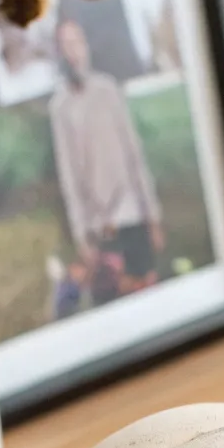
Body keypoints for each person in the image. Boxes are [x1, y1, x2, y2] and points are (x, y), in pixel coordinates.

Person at [48, 18, 164, 301]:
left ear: (85, 46)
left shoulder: (108, 90)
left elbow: (133, 154)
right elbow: (69, 176)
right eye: (65, 45)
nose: (73, 51)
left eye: (76, 42)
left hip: (132, 211)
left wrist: (153, 216)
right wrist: (81, 234)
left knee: (146, 290)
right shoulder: (60, 108)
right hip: (100, 226)